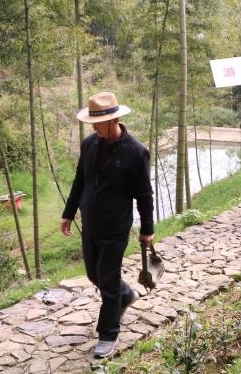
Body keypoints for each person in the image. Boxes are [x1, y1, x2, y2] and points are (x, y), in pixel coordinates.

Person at [61, 91, 154, 360]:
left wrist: (147, 229)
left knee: (108, 281)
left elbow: (144, 195)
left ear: (114, 120)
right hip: (90, 224)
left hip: (115, 227)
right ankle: (126, 295)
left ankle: (108, 332)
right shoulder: (90, 144)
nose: (93, 126)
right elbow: (80, 181)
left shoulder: (135, 152)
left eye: (97, 122)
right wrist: (68, 213)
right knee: (95, 276)